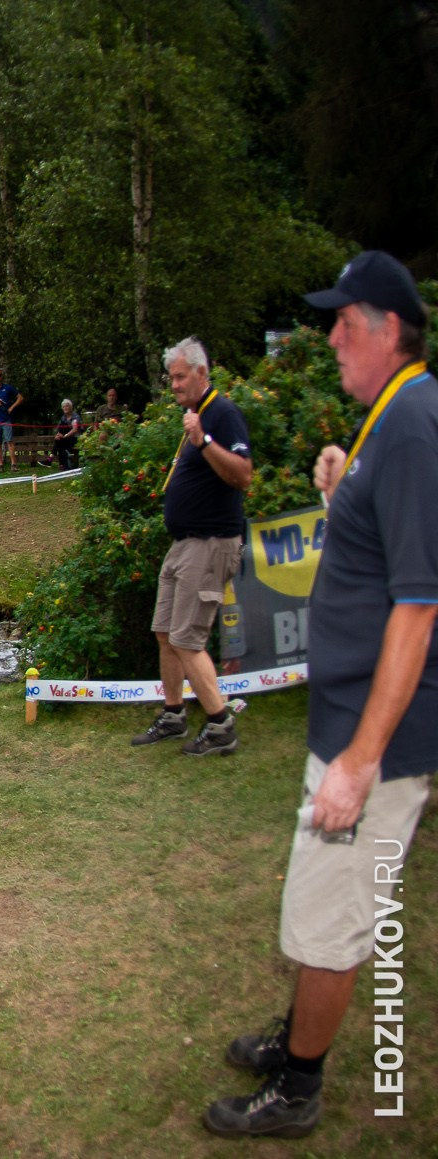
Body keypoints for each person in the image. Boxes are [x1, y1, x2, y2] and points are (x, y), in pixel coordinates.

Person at [201, 252, 433, 1139]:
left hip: (375, 741)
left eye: (342, 322)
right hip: (348, 724)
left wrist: (362, 761)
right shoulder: (392, 416)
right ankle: (295, 1038)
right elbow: (382, 557)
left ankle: (299, 1086)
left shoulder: (413, 423)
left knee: (331, 919)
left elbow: (418, 606)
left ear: (382, 328)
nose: (330, 336)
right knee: (316, 899)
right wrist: (340, 493)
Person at [132, 337, 253, 757]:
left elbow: (242, 475)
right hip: (184, 544)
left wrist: (202, 442)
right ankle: (172, 715)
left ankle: (220, 725)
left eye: (181, 376)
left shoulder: (222, 413)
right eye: (172, 377)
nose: (174, 384)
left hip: (211, 543)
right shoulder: (196, 414)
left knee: (187, 639)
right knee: (166, 633)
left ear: (202, 373)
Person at [52, 399, 81, 471]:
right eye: (63, 407)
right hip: (65, 440)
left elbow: (75, 429)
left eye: (67, 406)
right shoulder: (63, 418)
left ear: (70, 407)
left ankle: (54, 460)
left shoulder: (75, 416)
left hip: (75, 439)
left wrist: (64, 436)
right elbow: (59, 429)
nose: (65, 408)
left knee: (59, 442)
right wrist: (57, 435)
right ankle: (64, 465)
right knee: (58, 440)